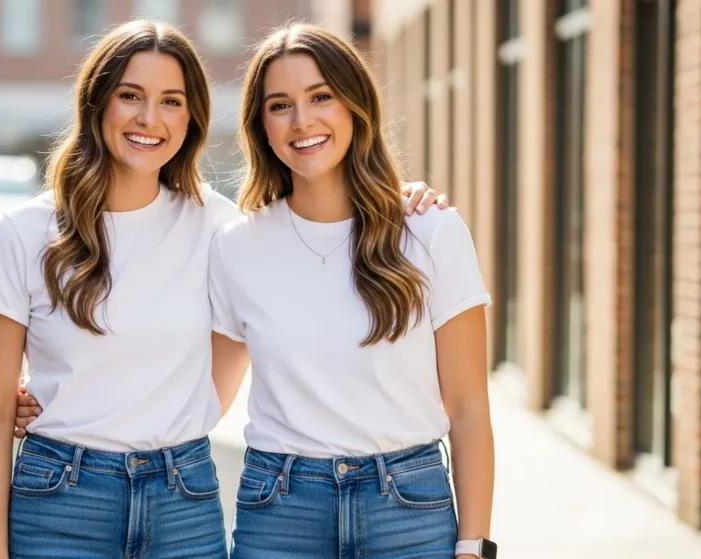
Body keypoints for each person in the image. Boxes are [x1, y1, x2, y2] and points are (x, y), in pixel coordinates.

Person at [0, 20, 447, 559]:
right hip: (59, 501)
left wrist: (399, 197)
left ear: (192, 116)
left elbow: (217, 380)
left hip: (182, 500)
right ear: (96, 102)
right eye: (130, 95)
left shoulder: (221, 229)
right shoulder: (21, 234)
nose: (150, 118)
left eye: (171, 101)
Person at [210, 24, 496, 559]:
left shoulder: (431, 232)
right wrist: (47, 397)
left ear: (355, 106)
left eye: (321, 96)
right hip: (281, 511)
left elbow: (468, 407)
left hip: (408, 510)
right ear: (261, 126)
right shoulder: (236, 247)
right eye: (280, 105)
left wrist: (474, 545)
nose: (302, 121)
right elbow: (200, 398)